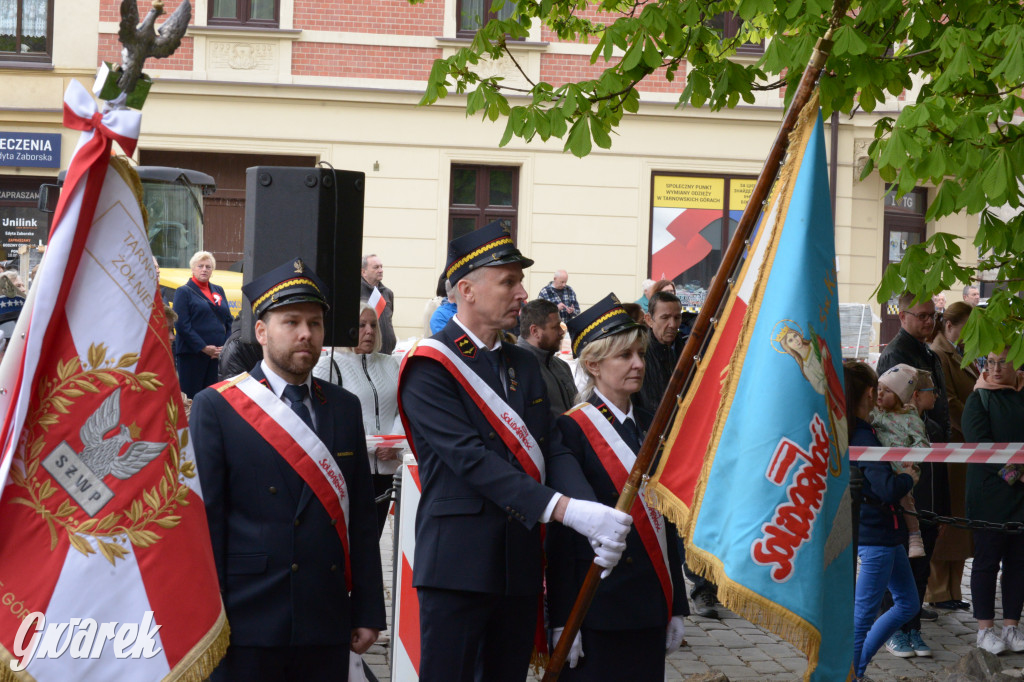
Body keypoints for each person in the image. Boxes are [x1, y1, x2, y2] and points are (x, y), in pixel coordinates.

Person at [398, 221, 633, 682]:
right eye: (508, 281)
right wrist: (566, 510)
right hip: (459, 566)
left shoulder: (523, 363)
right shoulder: (430, 365)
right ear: (467, 290)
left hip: (520, 563)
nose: (523, 293)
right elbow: (471, 460)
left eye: (521, 281)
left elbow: (552, 448)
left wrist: (590, 511)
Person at [192, 258, 386, 681]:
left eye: (315, 323)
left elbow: (361, 518)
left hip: (324, 616)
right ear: (262, 332)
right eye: (291, 322)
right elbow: (207, 520)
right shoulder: (218, 406)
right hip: (248, 618)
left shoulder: (344, 406)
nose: (305, 334)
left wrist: (368, 609)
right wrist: (207, 616)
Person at [546, 294, 689, 680]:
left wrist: (676, 604)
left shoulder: (652, 424)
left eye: (640, 353)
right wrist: (562, 619)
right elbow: (562, 539)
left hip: (650, 602)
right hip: (597, 608)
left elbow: (664, 519)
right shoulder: (571, 429)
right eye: (624, 355)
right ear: (593, 364)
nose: (638, 364)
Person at [876, 291, 951, 632]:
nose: (929, 321)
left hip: (931, 450)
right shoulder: (897, 353)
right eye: (921, 315)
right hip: (909, 459)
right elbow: (893, 409)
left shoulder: (926, 350)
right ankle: (895, 614)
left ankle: (910, 610)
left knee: (927, 537)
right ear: (902, 316)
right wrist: (927, 432)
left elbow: (937, 401)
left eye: (932, 315)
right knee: (908, 543)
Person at [847, 360, 921, 682]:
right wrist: (908, 478)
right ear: (868, 393)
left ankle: (857, 668)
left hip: (887, 534)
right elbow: (886, 488)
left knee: (908, 604)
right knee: (862, 618)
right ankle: (851, 674)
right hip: (876, 535)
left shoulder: (863, 430)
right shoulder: (863, 436)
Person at [314, 302, 403, 538]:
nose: (369, 331)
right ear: (349, 329)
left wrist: (393, 443)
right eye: (362, 325)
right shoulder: (329, 365)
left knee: (373, 536)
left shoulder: (391, 364)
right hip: (350, 467)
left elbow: (403, 409)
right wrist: (368, 446)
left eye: (373, 325)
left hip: (387, 468)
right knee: (348, 537)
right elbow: (324, 416)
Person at [962, 349, 1024, 655]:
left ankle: (1011, 626)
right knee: (986, 562)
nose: (996, 369)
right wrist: (1016, 474)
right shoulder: (979, 398)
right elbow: (980, 445)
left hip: (1020, 497)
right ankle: (985, 630)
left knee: (1018, 562)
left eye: (1003, 362)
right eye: (990, 363)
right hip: (989, 493)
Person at [926, 301, 976, 612]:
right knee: (947, 520)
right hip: (954, 446)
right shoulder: (939, 354)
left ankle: (952, 589)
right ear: (949, 325)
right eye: (966, 327)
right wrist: (976, 426)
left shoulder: (957, 352)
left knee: (960, 521)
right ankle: (938, 590)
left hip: (965, 450)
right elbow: (950, 402)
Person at [870, 364, 927, 563]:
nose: (880, 394)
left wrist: (913, 458)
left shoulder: (910, 419)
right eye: (879, 388)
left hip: (902, 467)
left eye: (887, 391)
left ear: (900, 397)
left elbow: (921, 442)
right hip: (883, 467)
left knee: (905, 498)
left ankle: (915, 535)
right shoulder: (875, 414)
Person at [174, 251, 233, 398]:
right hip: (192, 356)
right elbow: (182, 325)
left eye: (208, 266)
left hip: (216, 356)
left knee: (212, 397)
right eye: (200, 266)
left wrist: (225, 346)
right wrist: (203, 347)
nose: (204, 269)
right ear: (193, 269)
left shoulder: (218, 290)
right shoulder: (183, 292)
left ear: (212, 270)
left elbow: (228, 320)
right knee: (192, 398)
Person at [516, 298, 576, 416]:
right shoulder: (516, 367)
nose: (561, 332)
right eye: (555, 327)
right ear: (535, 331)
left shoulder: (561, 365)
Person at [360, 254, 396, 354]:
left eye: (381, 267)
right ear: (363, 272)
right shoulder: (356, 292)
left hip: (387, 353)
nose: (380, 270)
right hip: (367, 353)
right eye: (376, 267)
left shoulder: (388, 293)